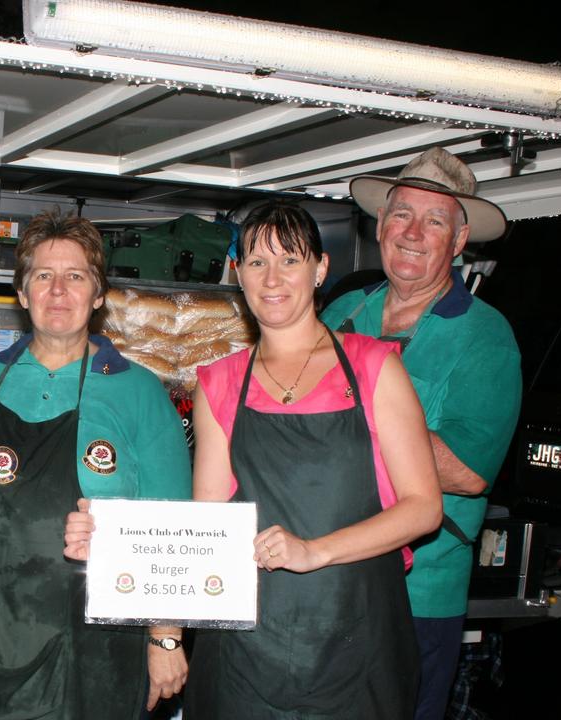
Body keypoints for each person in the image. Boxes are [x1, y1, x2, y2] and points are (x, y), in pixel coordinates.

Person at [67, 201, 442, 718]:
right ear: (238, 274)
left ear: (320, 269)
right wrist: (114, 543)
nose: (273, 278)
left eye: (290, 260)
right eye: (257, 262)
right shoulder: (219, 382)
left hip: (360, 639)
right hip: (246, 649)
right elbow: (202, 528)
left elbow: (423, 508)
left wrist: (315, 551)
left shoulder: (374, 367)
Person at [0, 210, 192, 719]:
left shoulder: (139, 392)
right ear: (23, 293)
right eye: (43, 276)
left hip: (89, 652)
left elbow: (172, 528)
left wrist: (165, 638)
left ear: (97, 295)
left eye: (75, 276)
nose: (59, 290)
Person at [322, 147, 522, 720]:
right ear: (379, 225)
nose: (413, 232)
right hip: (320, 573)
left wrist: (350, 413)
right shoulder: (341, 312)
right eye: (402, 214)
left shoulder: (486, 336)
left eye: (435, 221)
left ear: (459, 242)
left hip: (415, 594)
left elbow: (468, 469)